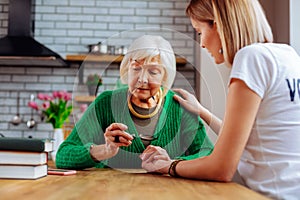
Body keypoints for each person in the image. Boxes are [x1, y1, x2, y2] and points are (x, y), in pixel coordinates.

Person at [139, 0, 300, 199]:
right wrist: (202, 112)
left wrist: (168, 166)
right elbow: (252, 138)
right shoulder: (287, 55)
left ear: (218, 23)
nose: (203, 43)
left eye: (199, 32)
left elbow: (221, 168)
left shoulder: (250, 58)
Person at [55, 35, 214, 169]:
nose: (142, 79)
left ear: (165, 77)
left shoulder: (179, 106)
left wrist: (172, 164)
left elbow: (208, 153)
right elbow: (63, 155)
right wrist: (105, 150)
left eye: (153, 72)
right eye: (136, 69)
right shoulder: (106, 102)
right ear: (127, 70)